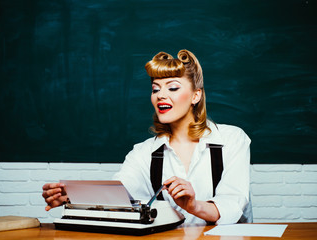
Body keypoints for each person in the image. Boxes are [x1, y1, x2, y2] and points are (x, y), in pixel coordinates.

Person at [42, 49, 251, 225]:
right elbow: (119, 197)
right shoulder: (143, 153)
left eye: (173, 87)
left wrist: (193, 206)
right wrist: (74, 196)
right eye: (155, 89)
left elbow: (233, 203)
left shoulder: (232, 139)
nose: (160, 95)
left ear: (196, 95)